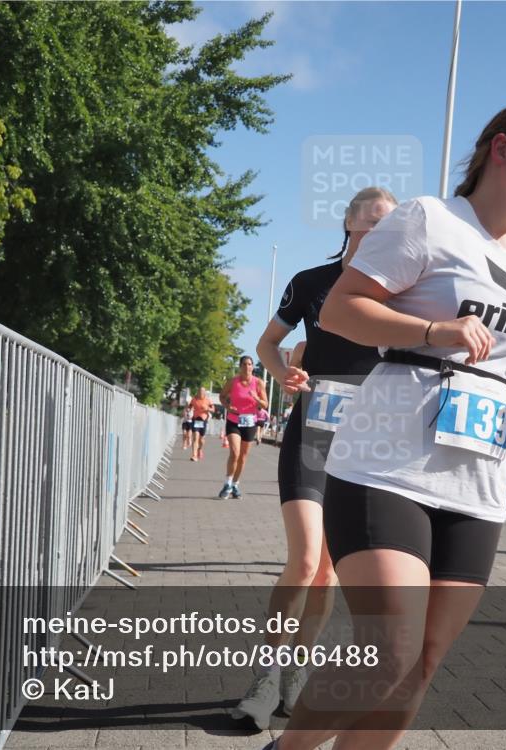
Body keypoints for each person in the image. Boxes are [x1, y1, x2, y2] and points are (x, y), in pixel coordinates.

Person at [264, 102, 506, 750]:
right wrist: (430, 330)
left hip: (477, 483)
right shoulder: (429, 220)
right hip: (388, 466)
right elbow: (341, 311)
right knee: (389, 649)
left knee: (420, 664)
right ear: (501, 148)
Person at [233, 188, 396, 729]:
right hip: (312, 434)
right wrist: (285, 374)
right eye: (370, 223)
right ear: (348, 223)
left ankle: (294, 675)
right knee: (305, 560)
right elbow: (267, 345)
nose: (377, 234)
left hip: (364, 444)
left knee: (326, 572)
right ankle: (264, 678)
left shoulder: (401, 293)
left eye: (388, 228)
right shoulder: (310, 283)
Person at [218, 356, 269, 499]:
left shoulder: (258, 383)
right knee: (234, 452)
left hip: (250, 422)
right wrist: (228, 406)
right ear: (240, 366)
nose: (247, 367)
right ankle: (227, 483)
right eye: (245, 364)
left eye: (250, 364)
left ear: (252, 367)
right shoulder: (233, 382)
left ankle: (235, 484)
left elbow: (265, 404)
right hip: (234, 420)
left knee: (243, 457)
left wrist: (256, 398)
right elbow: (222, 396)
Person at [189, 387, 214, 462]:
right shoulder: (194, 399)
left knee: (201, 439)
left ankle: (200, 449)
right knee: (195, 437)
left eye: (202, 392)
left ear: (204, 393)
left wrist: (207, 409)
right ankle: (194, 455)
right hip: (196, 419)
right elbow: (190, 406)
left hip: (203, 420)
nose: (200, 393)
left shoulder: (208, 400)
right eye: (199, 391)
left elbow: (213, 409)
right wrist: (189, 409)